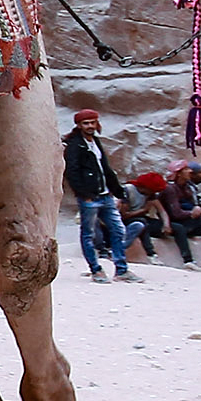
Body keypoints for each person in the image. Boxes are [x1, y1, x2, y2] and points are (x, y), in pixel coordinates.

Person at [62, 109, 133, 283]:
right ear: (79, 125)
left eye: (93, 122)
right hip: (90, 198)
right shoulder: (74, 145)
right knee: (89, 234)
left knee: (118, 230)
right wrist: (84, 194)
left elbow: (105, 169)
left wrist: (118, 191)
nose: (90, 126)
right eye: (86, 123)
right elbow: (72, 172)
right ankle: (96, 270)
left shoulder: (95, 142)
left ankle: (121, 269)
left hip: (104, 195)